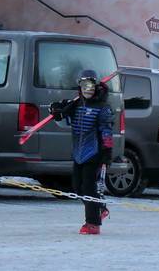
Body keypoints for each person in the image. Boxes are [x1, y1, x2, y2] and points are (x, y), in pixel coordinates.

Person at [49, 70, 114, 235]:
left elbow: (106, 131)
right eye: (84, 85)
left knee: (88, 188)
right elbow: (62, 117)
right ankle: (100, 208)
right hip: (78, 153)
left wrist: (106, 153)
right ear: (80, 86)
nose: (88, 89)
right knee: (77, 187)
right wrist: (57, 110)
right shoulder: (76, 105)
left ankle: (93, 223)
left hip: (94, 153)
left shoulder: (102, 108)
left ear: (96, 87)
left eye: (91, 86)